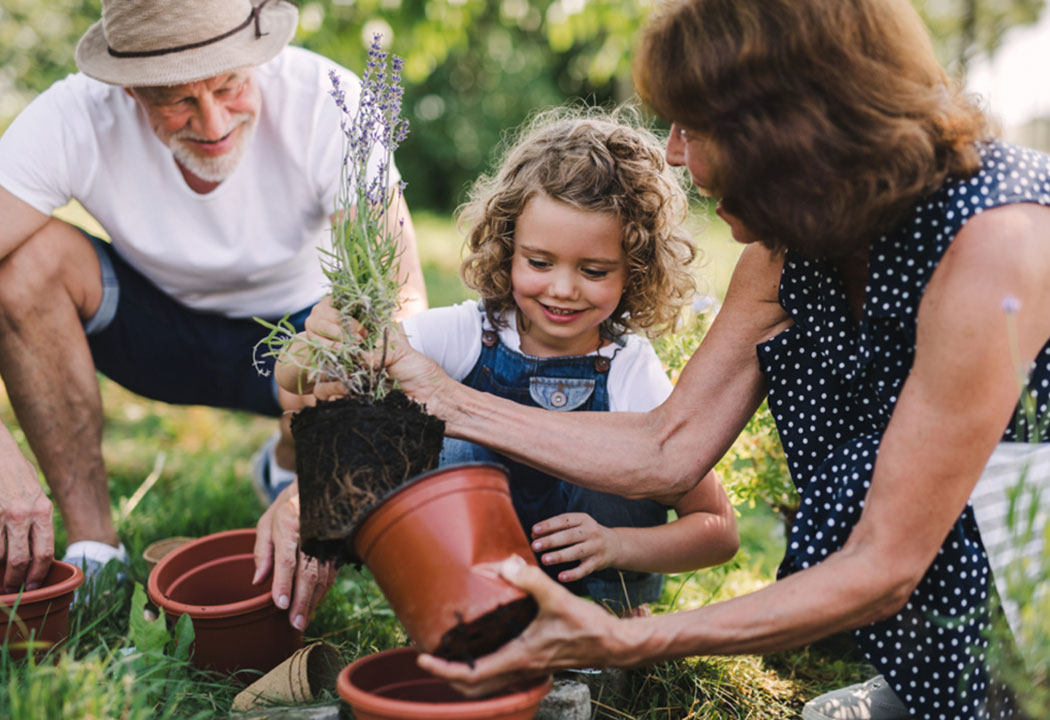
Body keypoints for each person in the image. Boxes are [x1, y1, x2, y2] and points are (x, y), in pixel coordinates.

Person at [360, 1, 1050, 718]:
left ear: (786, 131)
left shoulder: (996, 249)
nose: (673, 154)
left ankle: (997, 682)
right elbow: (669, 445)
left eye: (694, 126)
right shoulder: (786, 252)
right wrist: (443, 398)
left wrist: (626, 639)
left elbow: (882, 566)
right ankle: (934, 680)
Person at [0, 0, 427, 630]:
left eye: (229, 85)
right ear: (127, 87)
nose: (214, 121)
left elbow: (404, 303)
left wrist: (325, 475)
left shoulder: (328, 100)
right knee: (23, 265)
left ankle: (286, 463)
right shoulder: (75, 114)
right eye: (175, 101)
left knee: (362, 325)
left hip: (299, 344)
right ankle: (95, 550)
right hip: (154, 333)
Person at [277, 109, 740, 615]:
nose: (563, 289)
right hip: (475, 589)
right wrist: (319, 339)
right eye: (539, 263)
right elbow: (297, 375)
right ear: (507, 249)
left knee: (627, 461)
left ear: (635, 270)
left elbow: (718, 531)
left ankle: (615, 620)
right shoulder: (467, 334)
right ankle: (461, 611)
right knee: (448, 443)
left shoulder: (630, 367)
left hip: (589, 596)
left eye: (594, 270)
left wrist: (618, 545)